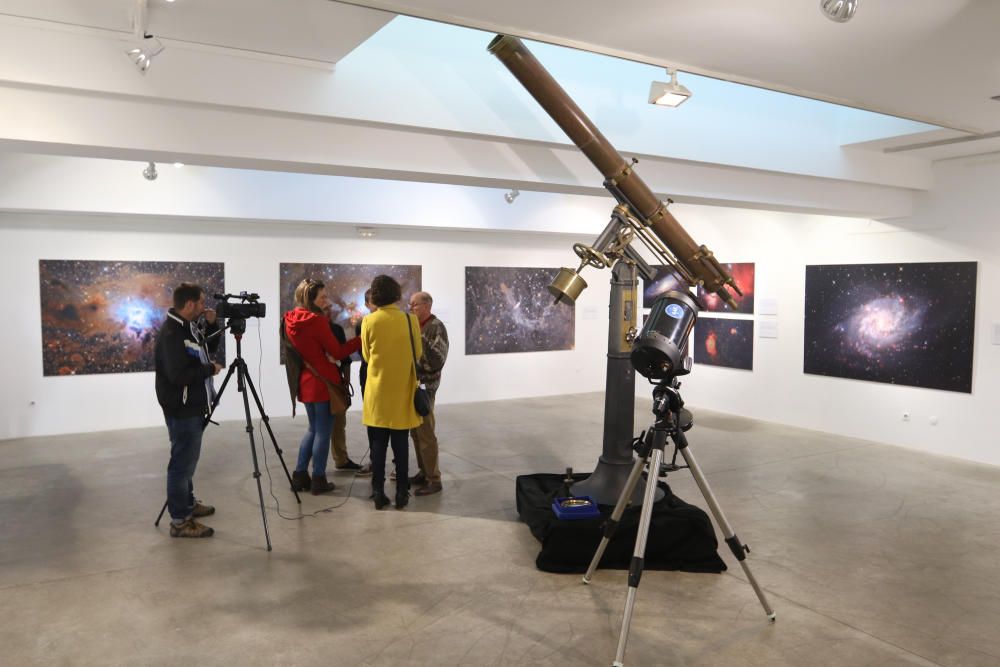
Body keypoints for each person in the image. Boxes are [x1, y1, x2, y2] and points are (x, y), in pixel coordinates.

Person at [154, 283, 223, 538]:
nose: (205, 306)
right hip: (182, 409)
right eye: (202, 301)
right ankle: (180, 521)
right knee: (181, 466)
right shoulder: (173, 334)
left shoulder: (188, 329)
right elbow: (178, 375)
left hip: (191, 406)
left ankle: (188, 503)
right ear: (190, 304)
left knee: (187, 463)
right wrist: (209, 370)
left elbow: (206, 352)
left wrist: (214, 326)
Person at [283, 278, 361, 495]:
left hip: (306, 381)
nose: (327, 301)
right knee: (323, 432)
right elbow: (337, 352)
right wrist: (360, 340)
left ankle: (299, 475)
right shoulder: (316, 321)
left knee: (313, 429)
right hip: (323, 382)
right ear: (310, 299)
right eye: (323, 297)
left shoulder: (289, 319)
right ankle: (318, 478)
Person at [361, 275, 422, 510]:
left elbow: (366, 356)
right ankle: (402, 493)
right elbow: (417, 353)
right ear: (397, 294)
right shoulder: (410, 320)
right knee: (400, 443)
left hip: (377, 389)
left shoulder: (369, 321)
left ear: (375, 295)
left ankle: (377, 492)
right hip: (402, 389)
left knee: (377, 444)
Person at [407, 291, 449, 496]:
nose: (411, 308)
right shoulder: (416, 326)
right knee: (415, 432)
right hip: (414, 385)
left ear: (427, 306)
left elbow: (437, 360)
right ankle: (424, 472)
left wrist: (413, 363)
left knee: (425, 433)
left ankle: (434, 478)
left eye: (414, 305)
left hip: (426, 388)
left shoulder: (436, 327)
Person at [326, 313, 363, 472]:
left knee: (339, 423)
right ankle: (314, 470)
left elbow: (345, 358)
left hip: (337, 381)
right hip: (321, 382)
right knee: (319, 429)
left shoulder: (336, 329)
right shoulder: (312, 329)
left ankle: (341, 459)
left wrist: (346, 383)